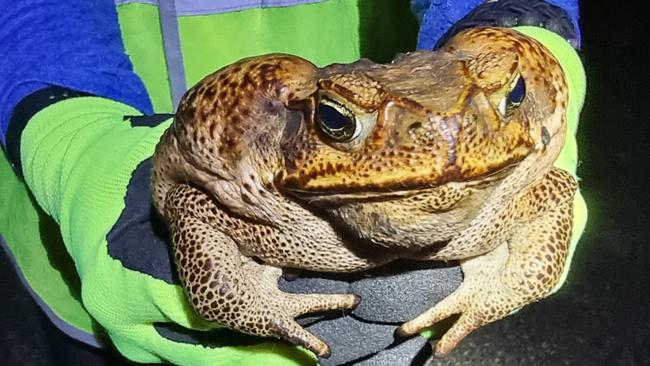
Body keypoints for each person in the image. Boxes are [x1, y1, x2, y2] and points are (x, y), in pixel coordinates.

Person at [0, 0, 585, 365]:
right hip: (87, 229)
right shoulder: (272, 211)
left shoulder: (502, 164)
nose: (445, 142)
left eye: (504, 100)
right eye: (338, 123)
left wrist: (518, 24)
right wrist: (67, 134)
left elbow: (553, 195)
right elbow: (197, 208)